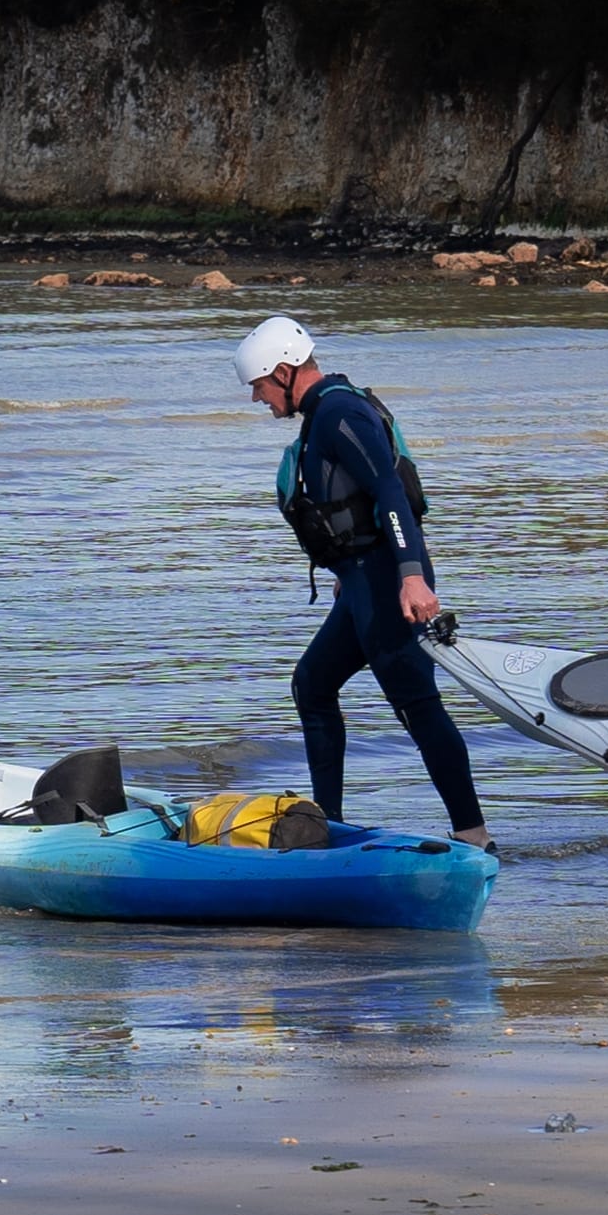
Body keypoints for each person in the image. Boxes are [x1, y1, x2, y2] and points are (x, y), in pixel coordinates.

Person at [239, 315, 492, 848]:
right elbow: (348, 501)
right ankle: (326, 823)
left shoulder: (339, 412)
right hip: (361, 582)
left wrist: (410, 578)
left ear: (283, 372)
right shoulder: (322, 413)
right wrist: (345, 565)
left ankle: (474, 837)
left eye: (259, 386)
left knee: (417, 705)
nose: (258, 399)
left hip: (386, 584)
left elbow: (388, 493)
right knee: (313, 684)